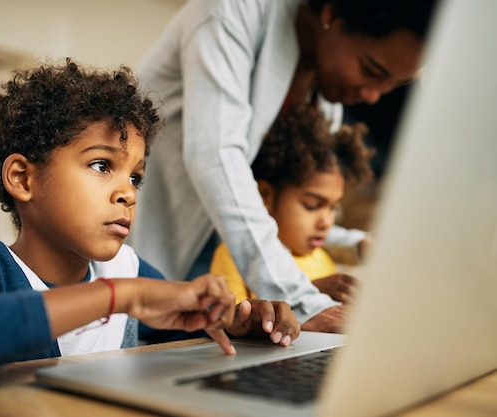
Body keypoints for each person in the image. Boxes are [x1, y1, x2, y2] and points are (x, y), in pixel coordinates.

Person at [0, 59, 300, 402]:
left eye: (135, 177)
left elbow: (185, 327)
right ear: (22, 178)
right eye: (101, 165)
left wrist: (241, 323)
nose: (127, 194)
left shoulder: (126, 270)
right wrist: (117, 298)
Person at [129, 0, 438, 332]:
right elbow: (216, 158)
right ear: (331, 12)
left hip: (221, 296)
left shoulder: (323, 83)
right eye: (371, 70)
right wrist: (303, 301)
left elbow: (283, 214)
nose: (375, 95)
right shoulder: (232, 11)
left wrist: (354, 244)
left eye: (393, 84)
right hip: (158, 263)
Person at [210, 106, 374, 305]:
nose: (326, 222)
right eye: (312, 205)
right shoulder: (233, 257)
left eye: (333, 208)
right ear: (266, 196)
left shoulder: (322, 259)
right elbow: (231, 324)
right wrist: (309, 295)